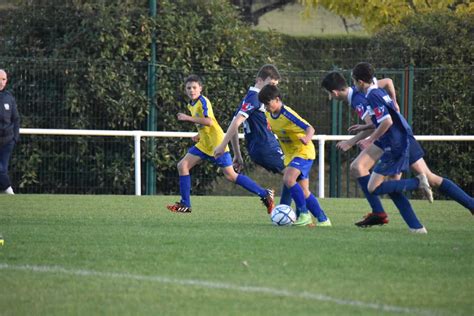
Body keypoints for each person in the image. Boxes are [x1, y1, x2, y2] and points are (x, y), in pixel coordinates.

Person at [321, 71, 474, 227]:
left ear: (333, 92)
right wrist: (394, 102)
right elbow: (387, 81)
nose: (330, 97)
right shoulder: (367, 86)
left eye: (328, 94)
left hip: (392, 139)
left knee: (361, 169)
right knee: (428, 178)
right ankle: (466, 206)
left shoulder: (357, 100)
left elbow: (376, 124)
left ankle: (381, 212)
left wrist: (351, 142)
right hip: (401, 134)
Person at [166, 75, 274, 213]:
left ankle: (265, 193)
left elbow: (210, 121)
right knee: (182, 166)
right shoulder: (191, 104)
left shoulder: (203, 101)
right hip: (205, 144)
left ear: (200, 88)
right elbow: (206, 125)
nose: (191, 90)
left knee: (231, 175)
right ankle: (185, 204)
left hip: (217, 143)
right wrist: (200, 134)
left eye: (194, 87)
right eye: (188, 88)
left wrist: (188, 118)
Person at [348, 62, 434, 233]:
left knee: (374, 187)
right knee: (391, 184)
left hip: (393, 144)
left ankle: (417, 182)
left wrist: (370, 138)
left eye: (354, 81)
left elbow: (387, 121)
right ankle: (416, 227)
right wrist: (365, 127)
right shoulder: (378, 89)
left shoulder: (372, 95)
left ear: (359, 81)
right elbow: (387, 84)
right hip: (396, 141)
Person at [213, 64, 292, 207]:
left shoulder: (250, 98)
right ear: (259, 80)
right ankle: (298, 214)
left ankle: (287, 211)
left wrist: (237, 154)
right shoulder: (255, 98)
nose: (273, 89)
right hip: (266, 147)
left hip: (262, 147)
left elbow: (234, 124)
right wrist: (223, 145)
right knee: (293, 175)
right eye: (271, 84)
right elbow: (236, 122)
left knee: (292, 174)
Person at [258, 84, 331, 227]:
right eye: (264, 105)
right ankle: (323, 220)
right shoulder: (268, 114)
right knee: (304, 191)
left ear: (277, 99)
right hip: (291, 156)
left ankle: (304, 214)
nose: (266, 107)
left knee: (289, 178)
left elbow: (310, 128)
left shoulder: (287, 113)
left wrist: (307, 138)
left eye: (268, 103)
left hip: (303, 152)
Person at [0, 69, 19, 195]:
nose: (1, 82)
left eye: (3, 79)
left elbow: (16, 119)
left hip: (7, 142)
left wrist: (15, 138)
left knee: (3, 170)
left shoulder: (9, 97)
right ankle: (10, 193)